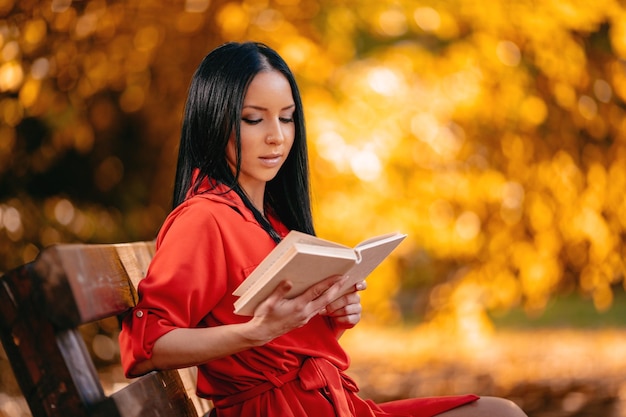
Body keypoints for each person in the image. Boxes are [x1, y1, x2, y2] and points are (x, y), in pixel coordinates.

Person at [119, 41, 527, 417]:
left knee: (499, 412)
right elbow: (149, 346)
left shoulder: (272, 220)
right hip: (279, 411)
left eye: (287, 118)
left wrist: (331, 311)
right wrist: (255, 332)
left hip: (330, 404)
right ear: (213, 121)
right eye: (253, 119)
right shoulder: (204, 218)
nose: (276, 136)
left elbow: (283, 341)